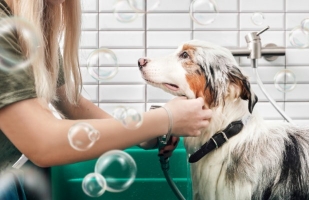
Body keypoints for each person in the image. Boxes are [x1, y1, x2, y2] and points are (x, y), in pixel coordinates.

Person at [0, 0, 212, 198]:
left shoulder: (28, 26)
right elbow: (42, 143)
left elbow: (73, 105)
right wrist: (166, 118)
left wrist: (147, 132)